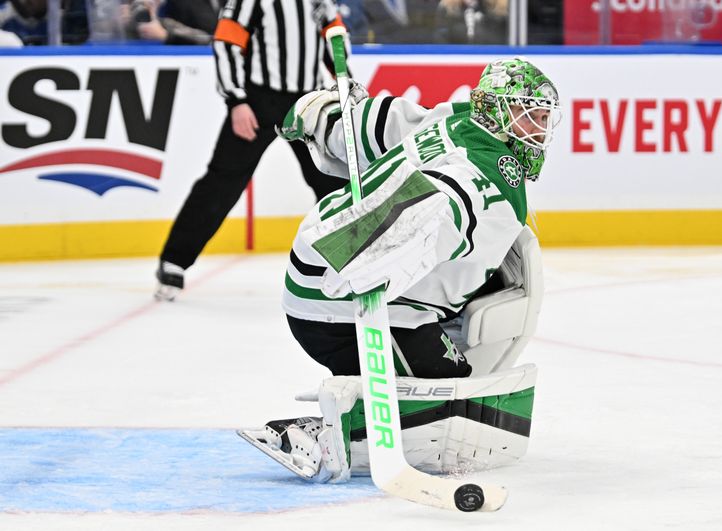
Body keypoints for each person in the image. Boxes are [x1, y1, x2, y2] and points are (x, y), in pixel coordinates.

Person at [239, 57, 561, 482]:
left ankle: (369, 383)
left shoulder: (458, 119)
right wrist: (374, 255)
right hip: (336, 299)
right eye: (531, 115)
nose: (540, 130)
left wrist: (333, 119)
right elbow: (445, 202)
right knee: (453, 404)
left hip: (321, 267)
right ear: (500, 110)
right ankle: (326, 433)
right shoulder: (489, 183)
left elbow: (385, 124)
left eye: (544, 117)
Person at [154, 0, 350, 301]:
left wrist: (342, 77)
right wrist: (236, 100)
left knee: (334, 183)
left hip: (309, 102)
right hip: (259, 102)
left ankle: (352, 262)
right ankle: (174, 261)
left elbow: (334, 35)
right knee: (223, 181)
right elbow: (227, 43)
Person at [123, 0, 217, 45]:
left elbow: (206, 39)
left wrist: (166, 35)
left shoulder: (166, 24)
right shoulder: (119, 26)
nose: (143, 9)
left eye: (151, 4)